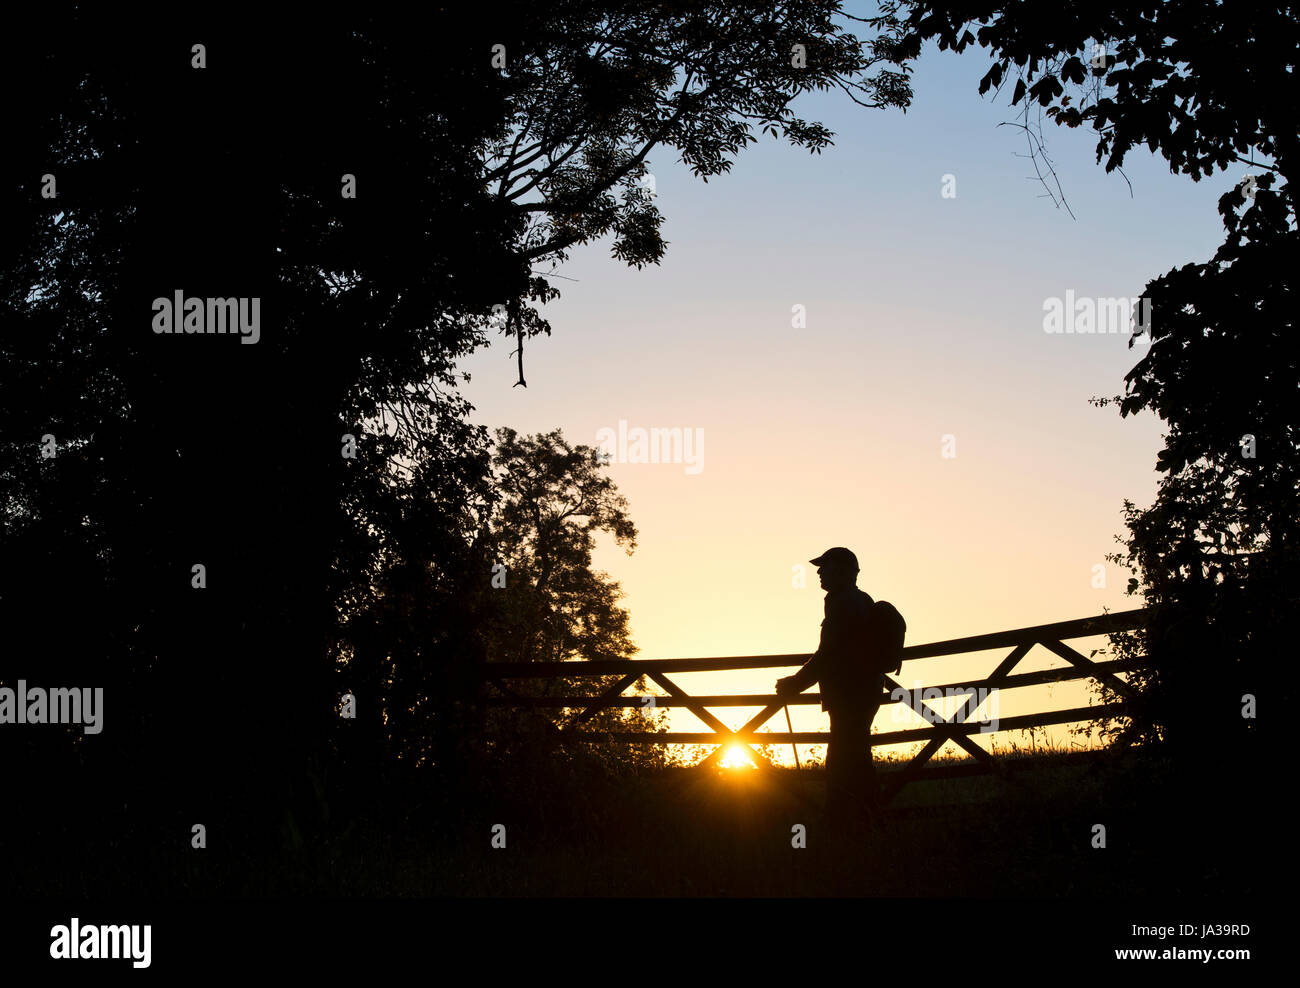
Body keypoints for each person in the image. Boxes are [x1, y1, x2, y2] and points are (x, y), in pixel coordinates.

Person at [776, 547, 883, 834]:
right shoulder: (860, 601)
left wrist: (794, 684)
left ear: (844, 572)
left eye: (827, 567)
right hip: (864, 692)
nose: (820, 572)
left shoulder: (843, 603)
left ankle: (838, 824)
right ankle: (864, 821)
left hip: (850, 695)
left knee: (842, 760)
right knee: (855, 756)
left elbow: (828, 655)